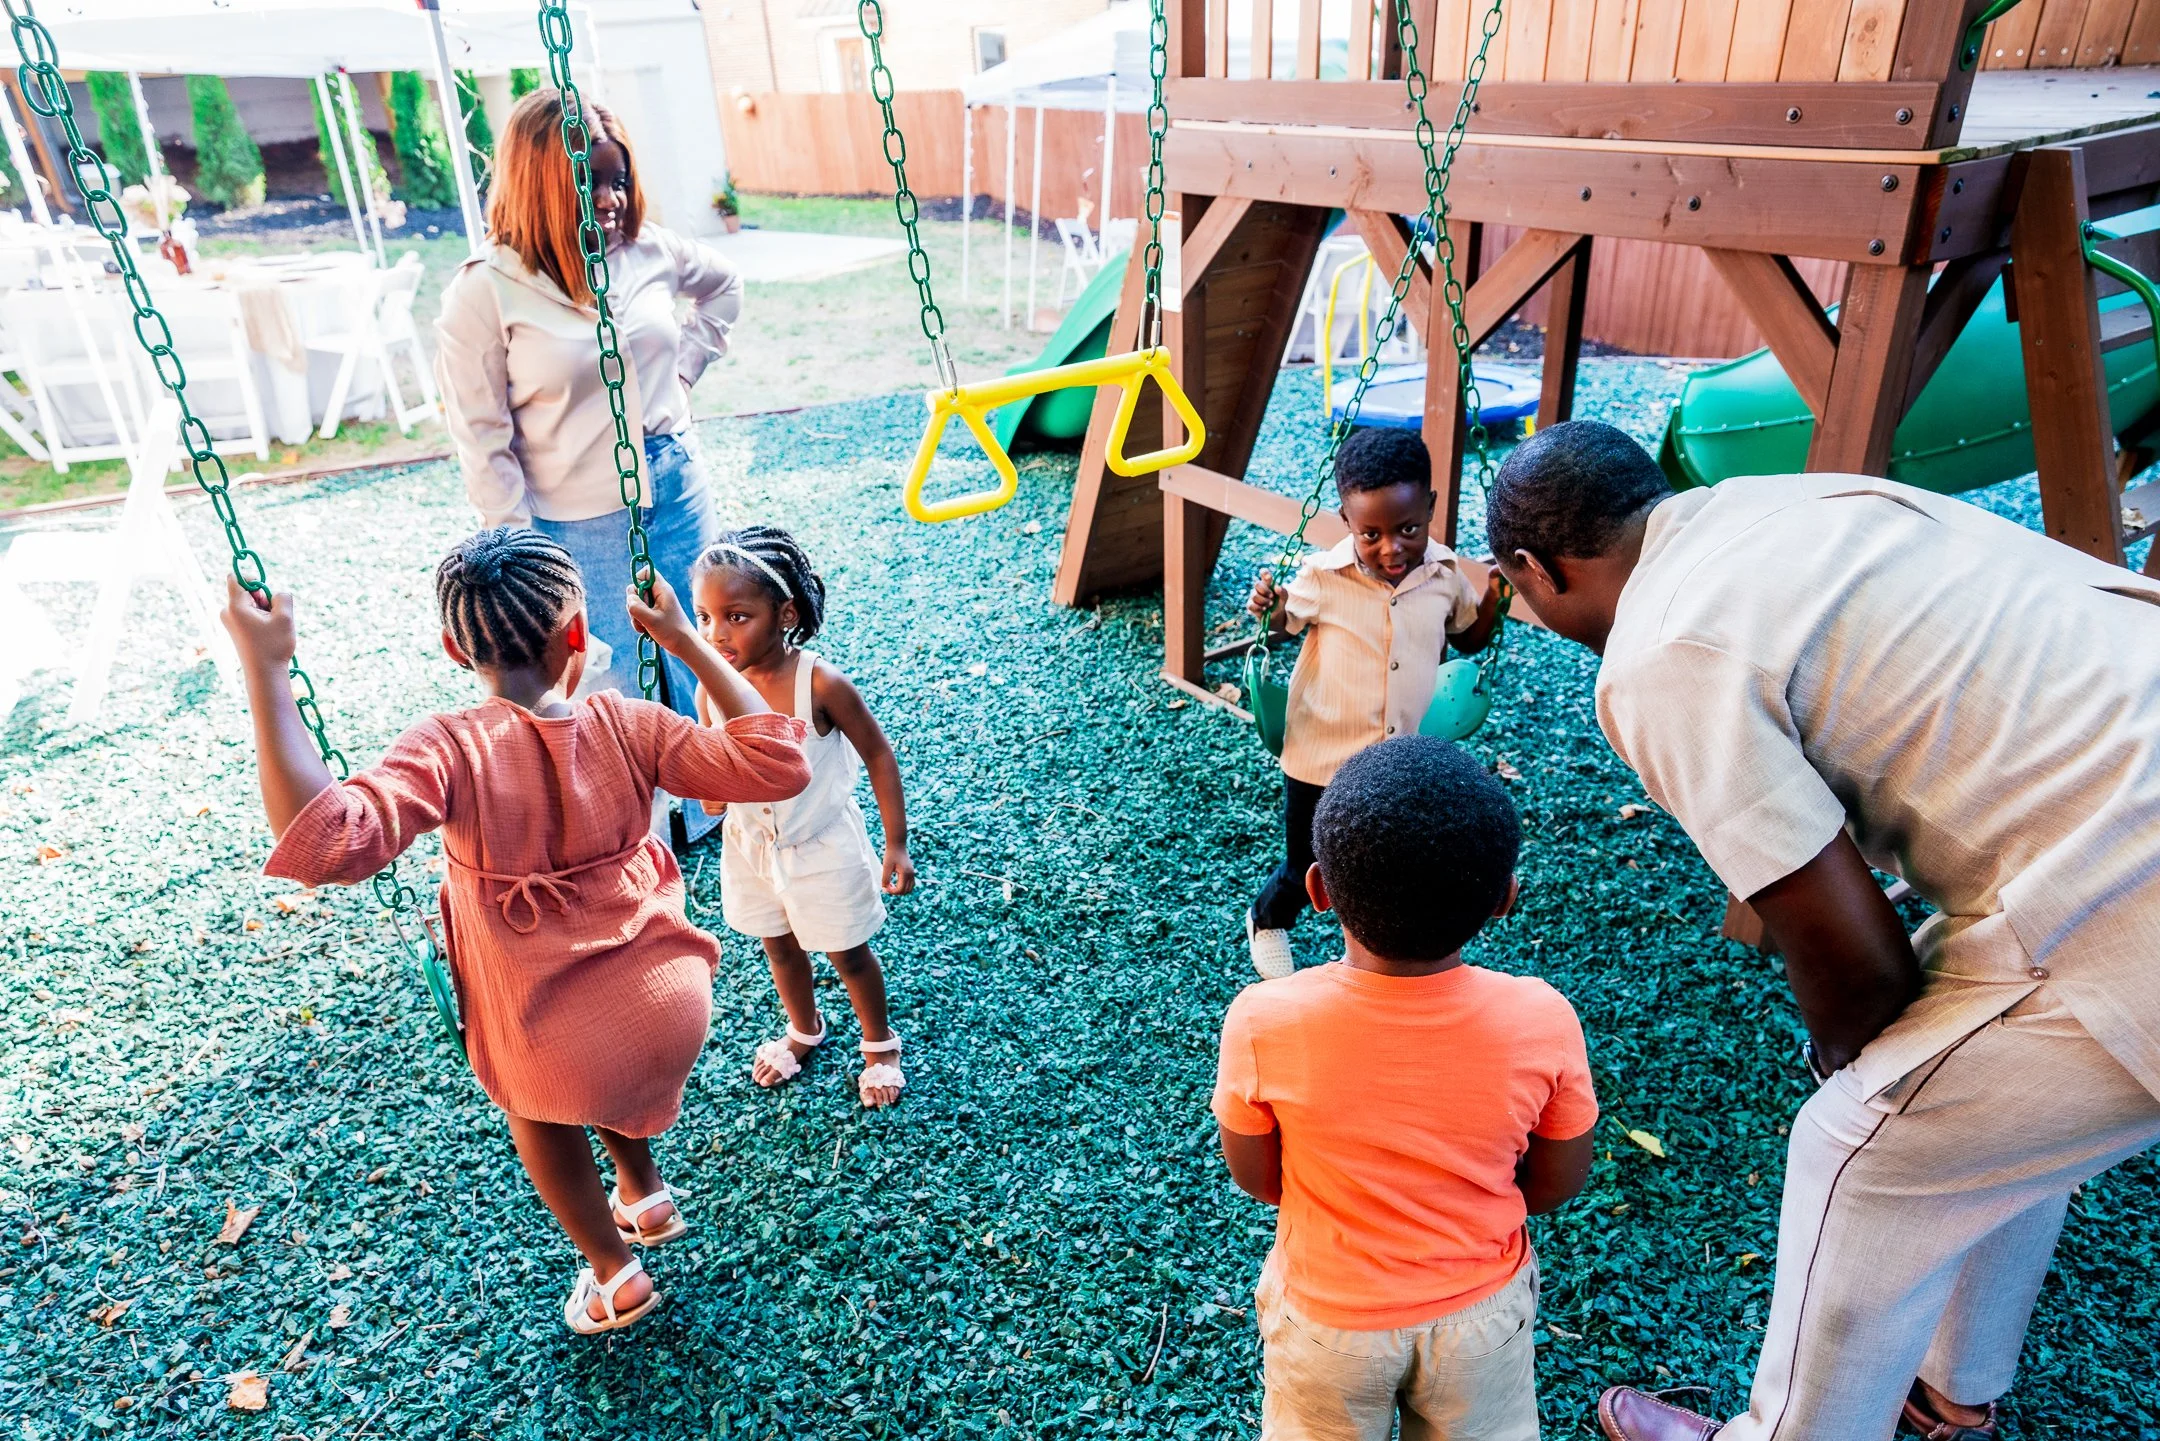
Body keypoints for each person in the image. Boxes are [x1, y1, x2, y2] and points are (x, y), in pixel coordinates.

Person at [1485, 421, 2160, 1441]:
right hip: (2119, 769)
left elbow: (1857, 965)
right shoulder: (1783, 501)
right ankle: (1953, 1388)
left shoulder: (1657, 649)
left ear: (1535, 570)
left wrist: (1850, 1047)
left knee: (1861, 1143)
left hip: (2125, 870)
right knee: (1991, 1115)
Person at [220, 528, 810, 1335]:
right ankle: (644, 1193)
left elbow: (328, 839)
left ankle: (616, 1274)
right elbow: (776, 762)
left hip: (564, 1035)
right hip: (673, 1006)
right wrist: (682, 643)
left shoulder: (450, 746)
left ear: (454, 647)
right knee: (577, 1021)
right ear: (577, 636)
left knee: (535, 1084)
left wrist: (267, 669)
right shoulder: (627, 722)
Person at [1214, 736, 1599, 1441]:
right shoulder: (1543, 1018)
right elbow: (1557, 1179)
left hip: (1329, 1319)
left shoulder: (1263, 1019)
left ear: (1319, 891)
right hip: (1480, 1317)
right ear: (1504, 900)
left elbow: (1257, 1176)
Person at [435, 88, 743, 722]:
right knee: (616, 680)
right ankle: (642, 817)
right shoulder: (486, 289)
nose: (611, 200)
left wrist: (683, 372)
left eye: (619, 180)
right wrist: (518, 557)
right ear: (541, 184)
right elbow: (482, 440)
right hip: (576, 521)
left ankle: (712, 810)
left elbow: (724, 287)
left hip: (678, 486)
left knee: (708, 652)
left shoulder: (649, 251)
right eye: (590, 184)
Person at [1243, 428, 1504, 979]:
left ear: (1430, 508)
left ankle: (1364, 955)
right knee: (1305, 865)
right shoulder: (1323, 576)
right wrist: (1271, 604)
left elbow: (1467, 638)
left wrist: (1492, 604)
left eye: (1408, 528)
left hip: (1395, 759)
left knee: (1380, 866)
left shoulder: (1444, 576)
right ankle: (1267, 918)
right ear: (1346, 521)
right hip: (1319, 755)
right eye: (1371, 534)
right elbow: (1284, 620)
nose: (1391, 548)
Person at [688, 525, 915, 1109]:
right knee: (778, 946)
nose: (717, 634)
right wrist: (714, 798)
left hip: (821, 847)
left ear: (786, 612)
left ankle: (879, 1042)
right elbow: (719, 764)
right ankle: (804, 1027)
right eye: (705, 618)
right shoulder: (711, 689)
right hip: (750, 849)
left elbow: (878, 753)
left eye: (737, 616)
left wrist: (897, 844)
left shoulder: (820, 683)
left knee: (847, 952)